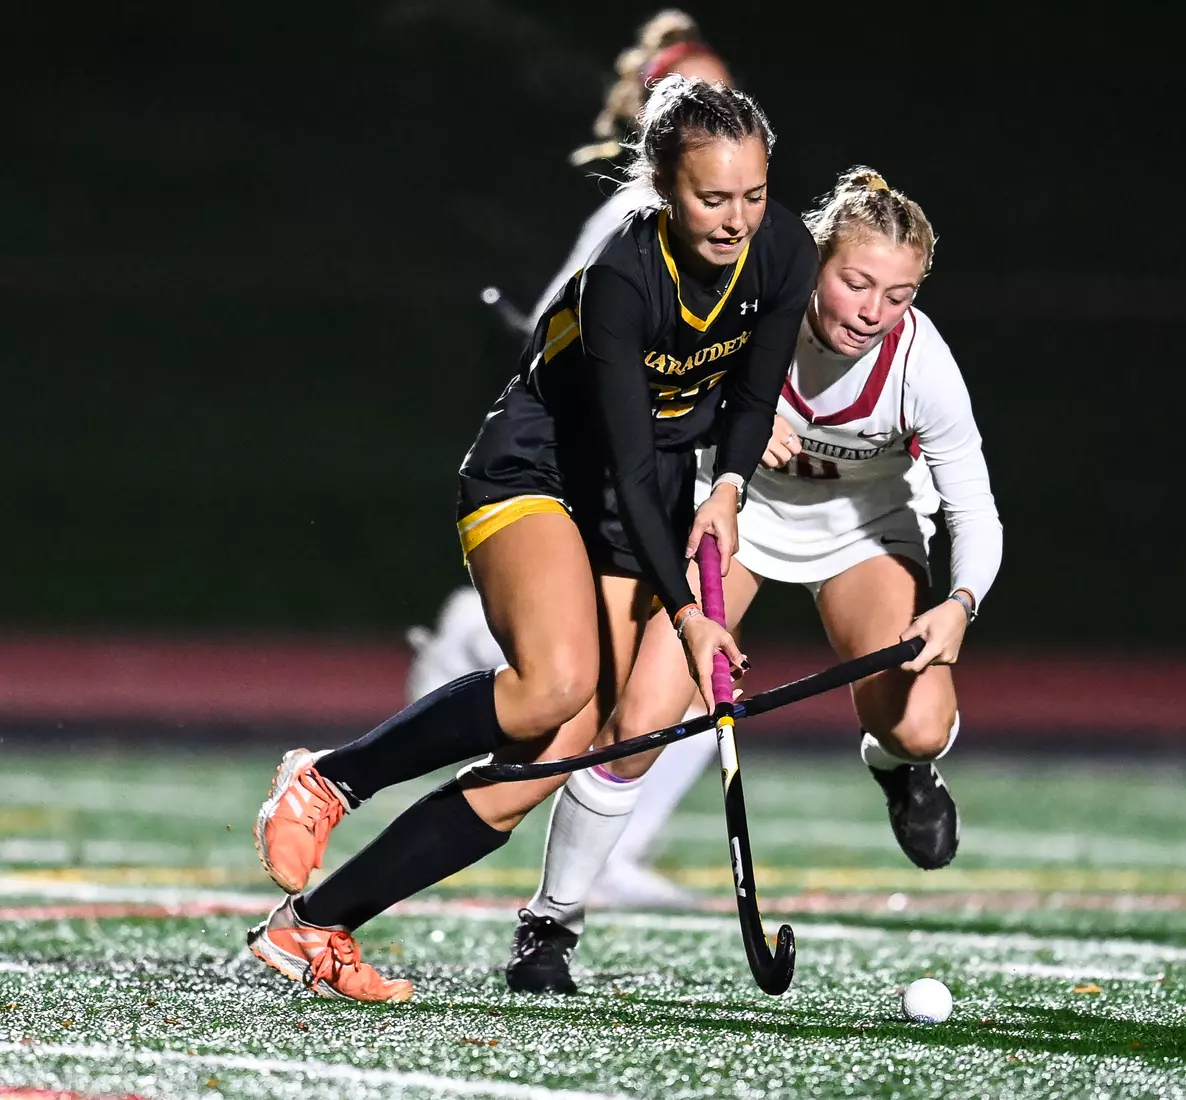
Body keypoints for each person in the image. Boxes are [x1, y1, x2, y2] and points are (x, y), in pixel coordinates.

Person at [246, 75, 818, 1002]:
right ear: (663, 188)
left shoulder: (783, 250)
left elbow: (755, 397)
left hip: (651, 492)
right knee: (554, 685)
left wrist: (730, 490)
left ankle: (314, 927)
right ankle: (330, 780)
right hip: (538, 473)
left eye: (752, 194)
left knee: (561, 754)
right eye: (712, 198)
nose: (736, 219)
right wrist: (691, 618)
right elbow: (628, 468)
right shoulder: (623, 280)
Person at [506, 166, 1003, 994]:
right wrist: (726, 412)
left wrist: (959, 604)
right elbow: (642, 393)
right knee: (643, 719)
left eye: (899, 293)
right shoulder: (744, 306)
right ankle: (550, 924)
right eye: (855, 283)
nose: (874, 311)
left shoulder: (924, 368)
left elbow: (975, 512)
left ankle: (898, 768)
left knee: (917, 722)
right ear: (815, 264)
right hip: (729, 518)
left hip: (862, 532)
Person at [406, 7, 732, 911]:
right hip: (592, 479)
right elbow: (563, 346)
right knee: (609, 687)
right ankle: (469, 651)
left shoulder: (720, 225)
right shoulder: (639, 215)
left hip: (644, 479)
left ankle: (473, 649)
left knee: (674, 687)